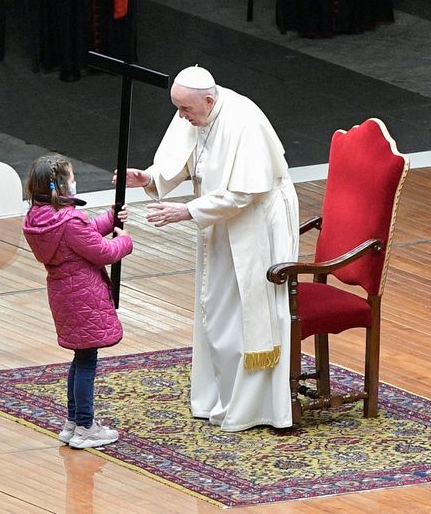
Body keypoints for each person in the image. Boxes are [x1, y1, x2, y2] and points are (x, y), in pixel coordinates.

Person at [118, 66, 300, 432]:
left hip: (255, 223)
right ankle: (218, 396)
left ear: (209, 100)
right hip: (220, 219)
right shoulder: (196, 113)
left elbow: (246, 192)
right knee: (216, 306)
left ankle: (255, 407)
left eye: (186, 110)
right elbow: (190, 160)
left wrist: (187, 210)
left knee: (247, 309)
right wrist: (150, 178)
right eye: (179, 110)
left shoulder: (244, 121)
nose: (182, 118)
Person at [23, 153, 133, 448]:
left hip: (63, 295)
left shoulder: (40, 219)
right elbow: (102, 252)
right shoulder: (69, 222)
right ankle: (85, 426)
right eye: (72, 178)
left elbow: (80, 237)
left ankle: (73, 422)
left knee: (80, 358)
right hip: (84, 295)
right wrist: (124, 240)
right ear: (61, 186)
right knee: (86, 363)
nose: (75, 182)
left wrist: (109, 219)